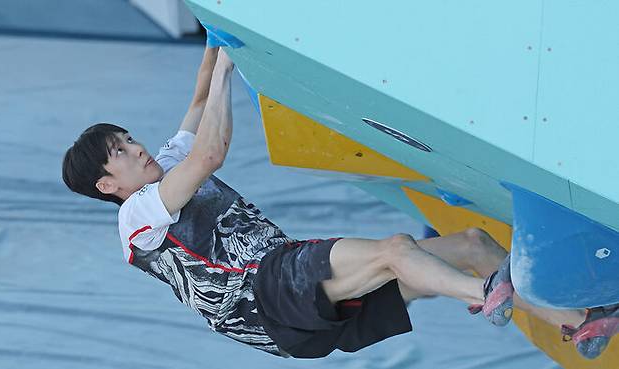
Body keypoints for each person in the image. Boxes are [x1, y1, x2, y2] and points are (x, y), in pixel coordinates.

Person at [61, 44, 614, 359]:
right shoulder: (139, 216)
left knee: (471, 243)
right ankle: (486, 295)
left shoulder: (161, 165)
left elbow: (200, 95)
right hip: (263, 296)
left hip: (294, 302)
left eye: (129, 139)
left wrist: (216, 39)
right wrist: (233, 66)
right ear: (108, 186)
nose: (136, 148)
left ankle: (580, 321)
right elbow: (209, 155)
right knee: (397, 248)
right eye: (121, 153)